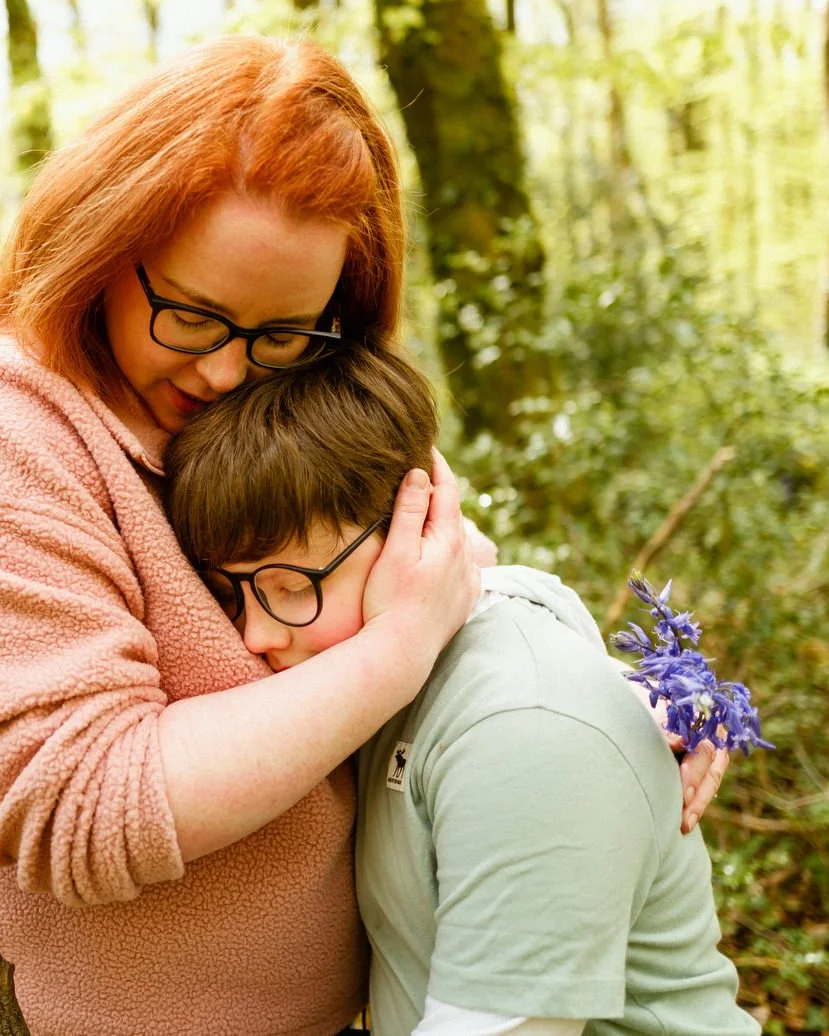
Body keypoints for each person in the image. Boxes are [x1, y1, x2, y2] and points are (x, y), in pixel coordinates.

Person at [0, 36, 726, 1036]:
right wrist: (398, 651)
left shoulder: (300, 392)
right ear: (103, 243)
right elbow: (76, 810)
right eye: (192, 315)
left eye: (277, 334)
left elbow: (437, 582)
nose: (225, 373)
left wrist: (595, 703)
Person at [163, 344, 759, 1036]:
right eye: (232, 596)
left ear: (416, 533)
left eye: (292, 588)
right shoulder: (390, 682)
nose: (255, 637)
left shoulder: (526, 733)